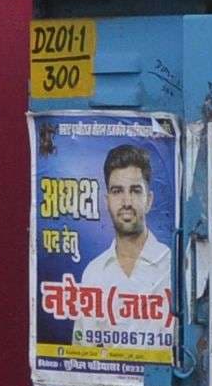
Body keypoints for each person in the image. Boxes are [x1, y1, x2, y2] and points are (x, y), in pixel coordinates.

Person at [73, 144, 172, 350]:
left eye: (135, 191)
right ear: (107, 201)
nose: (126, 202)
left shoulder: (173, 266)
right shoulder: (93, 273)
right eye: (117, 191)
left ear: (149, 200)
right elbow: (82, 354)